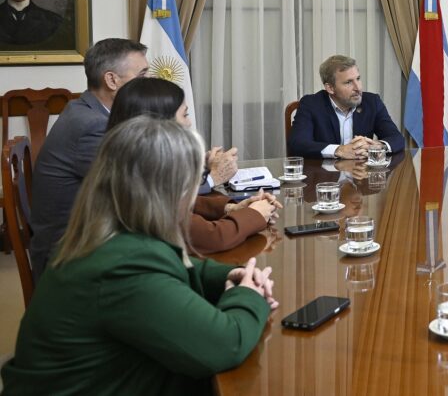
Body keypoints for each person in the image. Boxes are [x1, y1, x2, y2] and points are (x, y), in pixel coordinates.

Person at [0, 117, 277, 395]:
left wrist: (231, 275)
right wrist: (249, 295)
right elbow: (225, 345)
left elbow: (173, 264)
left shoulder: (103, 233)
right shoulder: (123, 269)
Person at [106, 77, 280, 255]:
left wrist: (230, 208)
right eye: (185, 115)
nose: (189, 123)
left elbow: (176, 200)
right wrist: (255, 214)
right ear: (160, 123)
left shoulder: (127, 163)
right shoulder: (136, 182)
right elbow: (213, 237)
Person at [28, 38, 150, 276]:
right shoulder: (92, 126)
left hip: (89, 235)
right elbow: (136, 191)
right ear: (112, 80)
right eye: (142, 75)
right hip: (70, 255)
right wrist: (206, 180)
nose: (150, 81)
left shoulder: (88, 110)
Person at [287, 54, 405, 158]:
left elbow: (397, 138)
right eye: (348, 82)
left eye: (358, 79)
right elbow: (297, 144)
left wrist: (378, 146)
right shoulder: (311, 104)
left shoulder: (372, 102)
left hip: (361, 174)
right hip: (325, 174)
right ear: (330, 88)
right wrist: (339, 150)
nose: (358, 88)